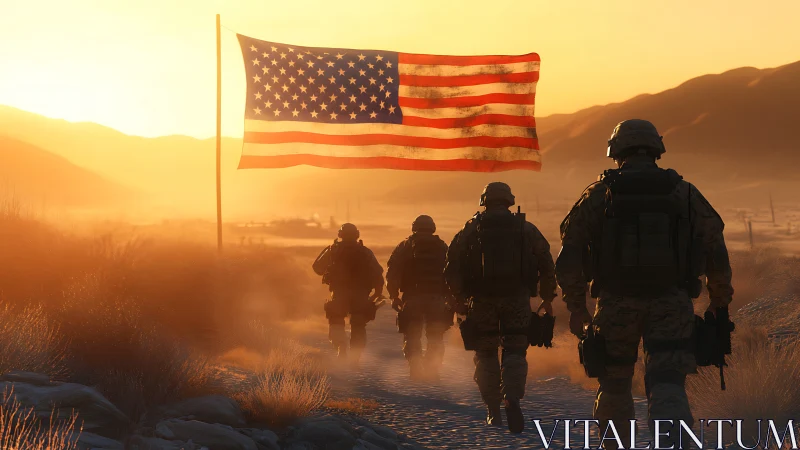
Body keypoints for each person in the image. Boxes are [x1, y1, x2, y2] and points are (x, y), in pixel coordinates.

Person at [556, 119, 734, 448]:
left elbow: (570, 257)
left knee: (614, 385)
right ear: (657, 149)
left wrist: (577, 307)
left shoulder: (599, 195)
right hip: (672, 303)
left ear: (616, 151)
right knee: (668, 384)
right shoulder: (685, 192)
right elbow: (715, 248)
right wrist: (719, 302)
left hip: (615, 305)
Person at [445, 182, 557, 434]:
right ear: (508, 201)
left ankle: (493, 408)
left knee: (485, 353)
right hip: (517, 299)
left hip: (481, 300)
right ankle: (512, 398)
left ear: (484, 201)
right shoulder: (525, 228)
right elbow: (546, 262)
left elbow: (452, 263)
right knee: (515, 351)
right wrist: (548, 297)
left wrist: (458, 297)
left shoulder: (471, 229)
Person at [386, 215, 452, 381]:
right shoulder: (442, 246)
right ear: (432, 227)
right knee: (435, 336)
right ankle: (432, 370)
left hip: (412, 298)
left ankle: (415, 369)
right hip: (436, 298)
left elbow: (393, 272)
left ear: (414, 227)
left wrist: (394, 296)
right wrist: (452, 298)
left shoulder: (405, 246)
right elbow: (452, 272)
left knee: (412, 334)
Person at [312, 223, 385, 366]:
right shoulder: (365, 252)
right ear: (357, 235)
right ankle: (355, 358)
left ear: (340, 235)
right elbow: (378, 272)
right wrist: (377, 292)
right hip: (360, 295)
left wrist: (329, 251)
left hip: (339, 294)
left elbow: (317, 268)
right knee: (358, 325)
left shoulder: (333, 250)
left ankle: (341, 349)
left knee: (337, 322)